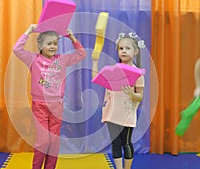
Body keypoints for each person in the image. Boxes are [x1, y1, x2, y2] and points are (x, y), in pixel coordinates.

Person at [13, 24, 86, 169]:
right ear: (40, 45)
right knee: (43, 141)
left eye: (55, 43)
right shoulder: (33, 59)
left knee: (54, 142)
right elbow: (17, 49)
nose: (53, 46)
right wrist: (28, 31)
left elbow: (81, 54)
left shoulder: (62, 60)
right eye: (49, 43)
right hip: (39, 105)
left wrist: (72, 38)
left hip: (57, 106)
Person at [92, 32, 145, 169]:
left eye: (128, 48)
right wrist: (95, 61)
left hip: (127, 113)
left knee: (126, 142)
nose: (124, 51)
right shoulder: (113, 70)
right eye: (121, 48)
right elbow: (96, 79)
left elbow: (140, 96)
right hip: (112, 112)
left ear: (136, 51)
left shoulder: (137, 73)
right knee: (115, 143)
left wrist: (132, 95)